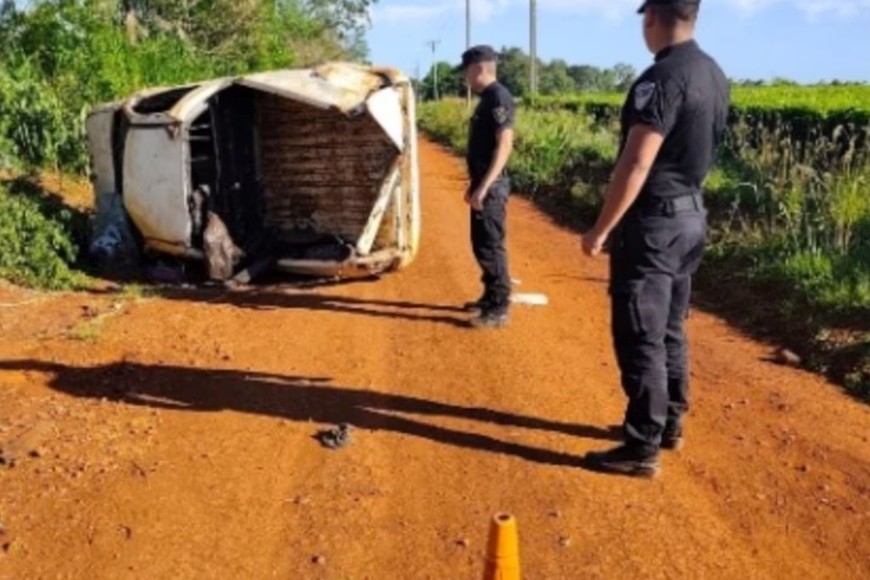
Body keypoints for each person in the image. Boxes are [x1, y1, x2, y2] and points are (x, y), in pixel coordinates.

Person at [581, 0, 730, 477]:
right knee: (669, 326)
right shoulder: (713, 73)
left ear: (653, 18)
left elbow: (637, 161)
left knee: (640, 332)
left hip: (652, 226)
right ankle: (669, 423)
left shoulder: (660, 78)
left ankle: (641, 443)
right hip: (690, 218)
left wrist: (601, 228)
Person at [456, 45, 516, 329]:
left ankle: (499, 307)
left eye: (466, 71)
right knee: (481, 243)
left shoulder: (498, 97)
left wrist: (485, 186)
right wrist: (475, 185)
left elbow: (504, 145)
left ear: (479, 68)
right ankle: (489, 295)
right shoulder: (487, 98)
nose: (465, 78)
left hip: (492, 186)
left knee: (491, 245)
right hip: (483, 184)